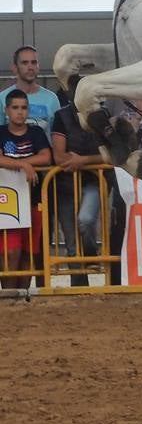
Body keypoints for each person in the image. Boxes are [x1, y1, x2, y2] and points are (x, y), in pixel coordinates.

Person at [0, 89, 51, 289]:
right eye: (15, 108)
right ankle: (9, 295)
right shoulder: (1, 132)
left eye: (23, 108)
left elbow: (46, 156)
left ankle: (23, 296)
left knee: (29, 252)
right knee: (10, 252)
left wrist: (19, 163)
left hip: (33, 200)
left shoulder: (36, 132)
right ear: (7, 110)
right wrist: (24, 165)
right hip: (8, 204)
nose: (20, 112)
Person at [51, 100, 106, 288]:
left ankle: (91, 256)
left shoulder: (102, 114)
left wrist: (82, 160)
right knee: (72, 243)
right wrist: (89, 161)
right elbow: (59, 157)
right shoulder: (61, 116)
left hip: (93, 182)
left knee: (86, 219)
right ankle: (79, 289)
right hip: (66, 185)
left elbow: (110, 154)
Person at [0, 46, 59, 140]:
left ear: (38, 67)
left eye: (34, 62)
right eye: (25, 63)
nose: (30, 67)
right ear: (15, 68)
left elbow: (57, 137)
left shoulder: (51, 99)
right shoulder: (2, 98)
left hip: (44, 153)